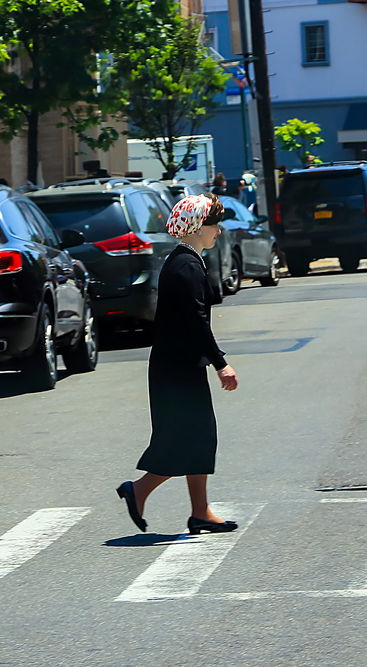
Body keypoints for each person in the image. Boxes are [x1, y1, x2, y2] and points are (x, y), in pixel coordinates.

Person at [116, 193, 240, 536]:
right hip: (177, 369)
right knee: (184, 439)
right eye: (214, 224)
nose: (218, 231)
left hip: (178, 365)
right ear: (198, 226)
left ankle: (200, 511)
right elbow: (196, 320)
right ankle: (139, 490)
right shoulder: (185, 265)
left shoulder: (186, 260)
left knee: (197, 437)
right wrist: (221, 364)